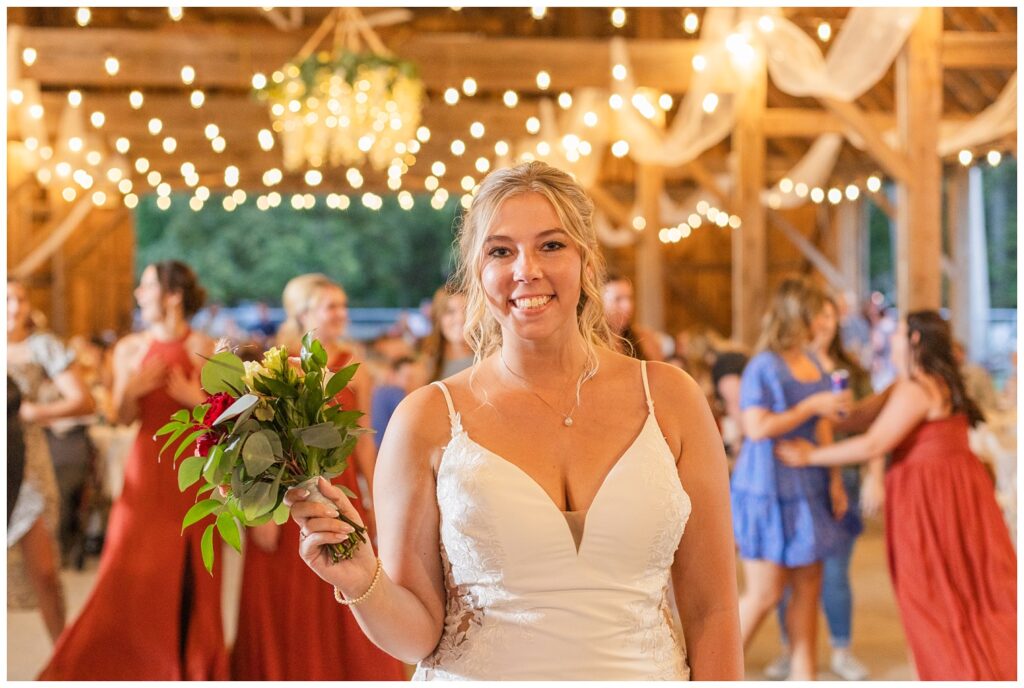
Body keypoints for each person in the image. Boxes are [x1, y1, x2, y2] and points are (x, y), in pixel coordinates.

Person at [285, 161, 742, 680]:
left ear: (587, 262)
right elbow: (416, 635)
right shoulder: (427, 419)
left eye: (551, 245)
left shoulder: (671, 399)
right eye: (501, 251)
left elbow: (714, 613)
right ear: (478, 275)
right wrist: (363, 577)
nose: (527, 269)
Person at [777, 310, 1016, 680]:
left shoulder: (917, 386)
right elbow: (859, 418)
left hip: (931, 495)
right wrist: (818, 402)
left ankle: (950, 669)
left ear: (916, 340)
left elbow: (875, 441)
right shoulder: (915, 381)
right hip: (956, 489)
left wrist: (810, 456)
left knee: (930, 590)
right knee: (960, 584)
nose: (891, 336)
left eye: (900, 332)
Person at [40, 261, 228, 680]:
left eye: (146, 286)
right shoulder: (128, 348)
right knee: (130, 567)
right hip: (146, 469)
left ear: (172, 295)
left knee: (194, 572)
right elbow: (121, 416)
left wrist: (192, 397)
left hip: (195, 470)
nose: (139, 294)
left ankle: (192, 665)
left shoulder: (209, 347)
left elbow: (226, 424)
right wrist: (133, 388)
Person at [229, 273, 406, 681]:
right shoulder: (275, 363)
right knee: (282, 606)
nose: (342, 314)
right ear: (304, 313)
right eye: (332, 306)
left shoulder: (354, 367)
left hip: (338, 495)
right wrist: (257, 514)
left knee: (349, 592)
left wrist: (376, 503)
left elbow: (363, 443)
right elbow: (255, 443)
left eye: (343, 305)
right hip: (285, 498)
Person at [730, 276, 852, 681]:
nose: (823, 320)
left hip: (809, 487)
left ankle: (805, 677)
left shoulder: (813, 361)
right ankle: (714, 674)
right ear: (796, 315)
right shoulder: (763, 365)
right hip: (766, 487)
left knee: (809, 588)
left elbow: (823, 426)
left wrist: (833, 478)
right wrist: (812, 404)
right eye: (816, 312)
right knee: (765, 593)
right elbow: (757, 427)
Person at [763, 293, 882, 681]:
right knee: (789, 570)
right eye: (817, 315)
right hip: (791, 477)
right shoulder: (782, 369)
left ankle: (842, 648)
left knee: (835, 571)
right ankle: (791, 649)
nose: (824, 323)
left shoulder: (853, 371)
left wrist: (874, 474)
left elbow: (874, 426)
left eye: (830, 315)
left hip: (839, 473)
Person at [8, 278, 96, 644]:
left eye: (20, 299)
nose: (14, 308)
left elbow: (84, 401)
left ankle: (64, 659)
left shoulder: (41, 346)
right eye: (6, 299)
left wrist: (34, 411)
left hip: (26, 466)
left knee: (44, 571)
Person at [602, 273, 664, 361]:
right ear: (599, 302)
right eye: (618, 299)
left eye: (629, 298)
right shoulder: (590, 342)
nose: (628, 306)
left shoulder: (644, 339)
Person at [420, 285, 473, 382]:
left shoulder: (490, 358)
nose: (460, 319)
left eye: (467, 310)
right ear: (437, 317)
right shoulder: (425, 364)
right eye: (450, 312)